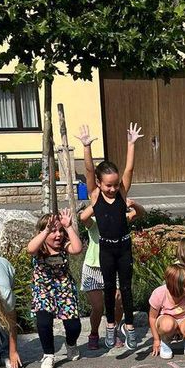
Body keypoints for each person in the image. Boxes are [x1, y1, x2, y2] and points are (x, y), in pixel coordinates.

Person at [75, 124, 146, 350]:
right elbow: (88, 171)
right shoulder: (95, 195)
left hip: (123, 248)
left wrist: (131, 144)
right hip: (105, 249)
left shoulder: (121, 193)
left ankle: (131, 327)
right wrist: (86, 147)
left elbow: (129, 170)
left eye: (116, 185)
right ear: (98, 184)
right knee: (108, 288)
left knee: (125, 288)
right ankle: (109, 326)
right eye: (108, 185)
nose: (113, 189)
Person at [25, 208, 84, 368]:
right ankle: (48, 354)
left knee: (74, 326)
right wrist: (45, 231)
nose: (58, 235)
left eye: (60, 231)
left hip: (64, 288)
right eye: (53, 231)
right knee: (44, 323)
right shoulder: (39, 247)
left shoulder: (64, 246)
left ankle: (71, 344)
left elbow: (78, 249)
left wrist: (69, 227)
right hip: (43, 289)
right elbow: (30, 249)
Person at [148, 263, 185, 360]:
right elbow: (152, 317)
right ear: (174, 285)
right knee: (167, 325)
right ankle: (165, 341)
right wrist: (156, 340)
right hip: (167, 319)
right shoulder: (159, 293)